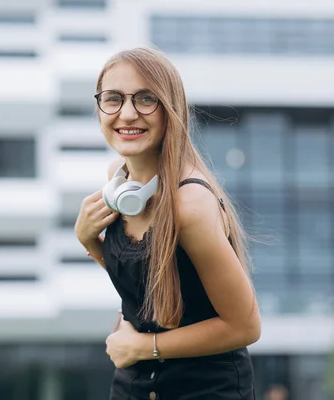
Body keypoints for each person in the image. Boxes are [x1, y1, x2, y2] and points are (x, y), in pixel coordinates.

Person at [75, 46, 261, 400]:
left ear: (169, 109)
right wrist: (89, 241)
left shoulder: (190, 206)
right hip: (133, 385)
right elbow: (150, 279)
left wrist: (144, 348)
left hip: (204, 390)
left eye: (145, 99)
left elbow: (245, 325)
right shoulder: (119, 180)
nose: (127, 114)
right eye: (112, 99)